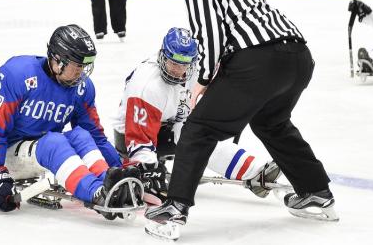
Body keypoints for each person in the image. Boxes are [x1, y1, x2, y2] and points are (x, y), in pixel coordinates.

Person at [145, 0, 338, 241]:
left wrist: (203, 82)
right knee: (272, 123)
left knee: (198, 129)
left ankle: (174, 207)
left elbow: (209, 39)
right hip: (298, 59)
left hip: (259, 63)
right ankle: (316, 191)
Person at [0, 25, 140, 217]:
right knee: (54, 141)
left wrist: (119, 168)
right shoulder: (17, 74)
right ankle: (96, 192)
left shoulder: (82, 88)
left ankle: (110, 184)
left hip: (45, 148)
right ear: (57, 60)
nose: (82, 73)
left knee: (81, 135)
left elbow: (96, 136)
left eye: (85, 66)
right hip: (9, 155)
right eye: (77, 65)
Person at [112, 28, 282, 205]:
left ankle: (255, 172)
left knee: (202, 134)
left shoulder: (195, 69)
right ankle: (149, 164)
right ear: (162, 56)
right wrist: (148, 169)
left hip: (169, 124)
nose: (178, 70)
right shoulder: (147, 86)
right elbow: (138, 138)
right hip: (131, 137)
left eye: (184, 64)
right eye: (173, 63)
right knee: (195, 139)